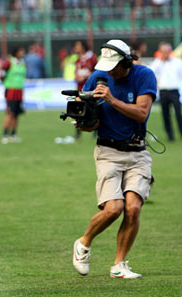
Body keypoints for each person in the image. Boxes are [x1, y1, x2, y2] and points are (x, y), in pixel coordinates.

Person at [72, 39, 157, 279]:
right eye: (107, 66)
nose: (110, 71)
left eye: (115, 66)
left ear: (127, 61)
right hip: (107, 151)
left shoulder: (144, 75)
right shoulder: (98, 75)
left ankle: (119, 264)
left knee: (133, 208)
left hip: (138, 152)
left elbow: (142, 113)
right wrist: (85, 122)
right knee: (114, 208)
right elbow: (84, 112)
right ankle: (84, 242)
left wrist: (110, 99)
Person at [149, 42, 182, 142]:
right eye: (163, 51)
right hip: (163, 91)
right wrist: (160, 61)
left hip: (174, 91)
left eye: (167, 51)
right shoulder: (157, 63)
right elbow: (152, 73)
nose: (165, 53)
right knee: (165, 115)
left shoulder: (177, 62)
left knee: (178, 114)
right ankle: (170, 136)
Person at [1, 46, 26, 144]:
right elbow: (2, 74)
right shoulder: (9, 62)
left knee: (16, 114)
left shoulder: (23, 63)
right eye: (21, 51)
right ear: (16, 52)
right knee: (9, 113)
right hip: (11, 91)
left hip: (19, 92)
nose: (22, 53)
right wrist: (6, 83)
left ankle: (14, 134)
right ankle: (5, 135)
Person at [74, 40, 98, 140]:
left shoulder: (92, 57)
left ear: (83, 46)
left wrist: (87, 76)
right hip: (80, 88)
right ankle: (78, 133)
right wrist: (77, 76)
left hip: (91, 88)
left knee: (94, 109)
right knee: (77, 110)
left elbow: (96, 71)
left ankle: (96, 133)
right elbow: (76, 71)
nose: (76, 47)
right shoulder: (78, 58)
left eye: (77, 45)